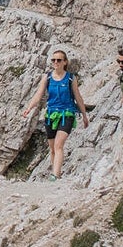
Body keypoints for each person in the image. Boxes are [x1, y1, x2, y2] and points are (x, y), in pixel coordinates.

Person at [23, 49, 90, 179]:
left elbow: (78, 97)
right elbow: (39, 94)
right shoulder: (47, 77)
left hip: (67, 115)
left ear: (65, 62)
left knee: (59, 145)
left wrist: (84, 115)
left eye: (59, 60)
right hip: (50, 115)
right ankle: (56, 174)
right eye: (53, 60)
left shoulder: (71, 78)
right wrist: (29, 108)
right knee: (53, 149)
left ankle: (54, 175)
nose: (56, 62)